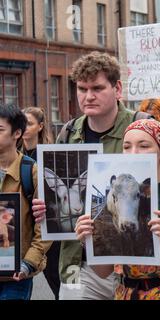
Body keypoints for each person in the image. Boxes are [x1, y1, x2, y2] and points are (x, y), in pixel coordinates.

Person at [32, 51, 151, 300]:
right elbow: (59, 196)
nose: (88, 96)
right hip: (79, 263)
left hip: (132, 265)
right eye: (82, 89)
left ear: (117, 88)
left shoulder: (142, 127)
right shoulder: (69, 132)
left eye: (97, 88)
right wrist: (47, 209)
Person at [74, 119, 160, 300]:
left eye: (144, 146)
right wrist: (88, 241)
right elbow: (104, 272)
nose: (133, 153)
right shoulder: (114, 204)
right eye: (127, 147)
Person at [0, 104, 51, 300]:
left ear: (17, 133)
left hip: (17, 277)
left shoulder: (32, 172)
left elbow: (45, 228)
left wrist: (28, 263)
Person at [20, 106, 61, 300]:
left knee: (56, 279)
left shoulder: (48, 155)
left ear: (40, 126)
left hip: (49, 227)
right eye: (22, 123)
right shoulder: (16, 157)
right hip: (27, 229)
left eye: (29, 123)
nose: (24, 127)